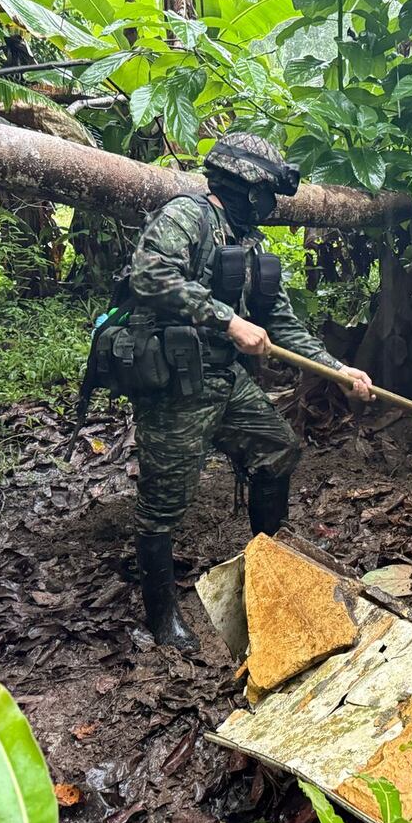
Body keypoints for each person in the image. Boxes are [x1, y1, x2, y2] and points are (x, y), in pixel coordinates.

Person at [126, 133, 373, 652]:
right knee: (163, 503)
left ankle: (267, 564)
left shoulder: (251, 245)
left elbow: (281, 321)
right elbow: (148, 275)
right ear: (246, 186)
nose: (272, 206)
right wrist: (227, 319)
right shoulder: (187, 216)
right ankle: (161, 618)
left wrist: (337, 368)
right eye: (268, 194)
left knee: (277, 449)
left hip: (222, 379)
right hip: (173, 384)